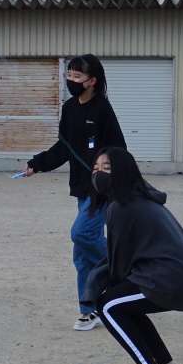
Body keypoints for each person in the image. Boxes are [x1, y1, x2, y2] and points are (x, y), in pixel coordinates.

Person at [86, 147, 183, 364]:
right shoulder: (141, 197)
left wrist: (96, 287)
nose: (99, 174)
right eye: (96, 168)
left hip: (173, 280)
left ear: (123, 171)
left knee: (108, 306)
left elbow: (119, 261)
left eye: (107, 168)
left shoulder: (123, 206)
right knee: (124, 306)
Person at [26, 54, 126, 330]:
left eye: (77, 76)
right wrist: (37, 164)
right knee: (81, 254)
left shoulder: (102, 109)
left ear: (92, 81)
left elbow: (118, 148)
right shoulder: (69, 108)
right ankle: (90, 310)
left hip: (101, 188)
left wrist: (108, 174)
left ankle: (123, 266)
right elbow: (64, 147)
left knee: (81, 234)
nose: (71, 80)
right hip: (80, 187)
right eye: (68, 75)